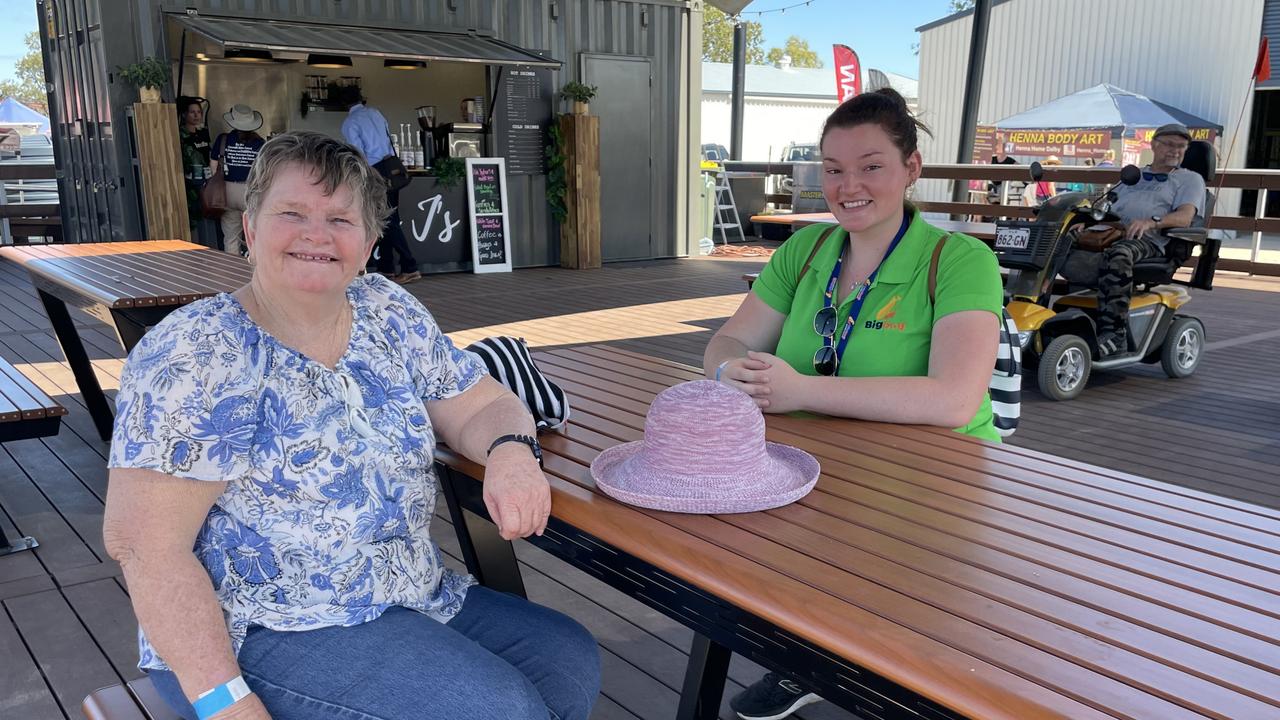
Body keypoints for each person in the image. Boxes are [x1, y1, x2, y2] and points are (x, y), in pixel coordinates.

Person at [103, 131, 600, 720]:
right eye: (292, 212)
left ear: (366, 245)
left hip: (409, 591)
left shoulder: (386, 311)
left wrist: (513, 454)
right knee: (498, 709)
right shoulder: (196, 354)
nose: (317, 233)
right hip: (262, 628)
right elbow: (143, 547)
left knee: (566, 657)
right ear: (251, 229)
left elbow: (480, 404)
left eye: (340, 219)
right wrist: (225, 703)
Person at [705, 89, 1002, 720]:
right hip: (811, 462)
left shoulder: (959, 259)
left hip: (936, 478)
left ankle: (870, 667)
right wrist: (735, 372)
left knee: (899, 608)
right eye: (833, 169)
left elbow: (955, 399)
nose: (848, 186)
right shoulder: (805, 250)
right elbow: (727, 343)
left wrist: (800, 391)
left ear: (911, 169)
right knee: (728, 552)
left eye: (871, 166)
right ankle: (808, 657)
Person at [1092, 123, 1204, 356]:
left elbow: (1184, 217)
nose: (1176, 150)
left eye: (1181, 146)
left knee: (1119, 254)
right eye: (1170, 145)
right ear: (1153, 145)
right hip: (1114, 233)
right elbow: (1107, 206)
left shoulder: (1189, 179)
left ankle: (1115, 334)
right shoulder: (1135, 175)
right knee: (1058, 241)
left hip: (1153, 241)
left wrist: (1151, 222)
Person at [339, 86, 421, 284]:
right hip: (391, 168)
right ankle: (387, 268)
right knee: (385, 218)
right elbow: (387, 138)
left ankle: (410, 266)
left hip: (375, 172)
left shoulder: (350, 123)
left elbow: (358, 155)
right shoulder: (375, 113)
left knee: (388, 220)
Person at [211, 104, 266, 257]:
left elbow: (213, 167)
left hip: (227, 192)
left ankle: (232, 272)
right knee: (254, 234)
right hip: (250, 192)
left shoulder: (223, 140)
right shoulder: (260, 143)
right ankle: (254, 265)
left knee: (230, 238)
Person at [177, 96, 211, 232]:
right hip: (189, 184)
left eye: (199, 112)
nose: (197, 115)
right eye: (193, 112)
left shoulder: (203, 133)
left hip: (206, 180)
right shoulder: (180, 134)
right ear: (185, 114)